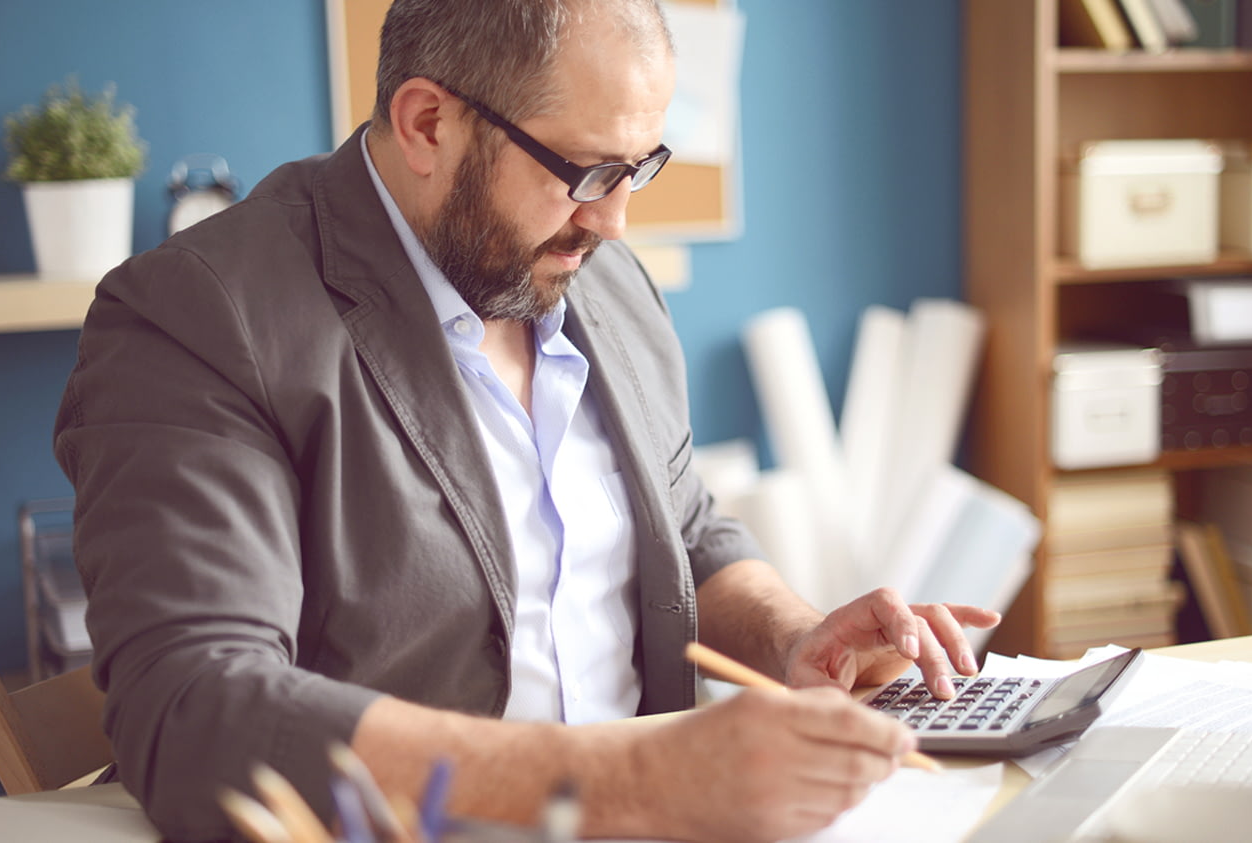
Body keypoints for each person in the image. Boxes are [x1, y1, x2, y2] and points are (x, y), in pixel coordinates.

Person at [53, 1, 1000, 840]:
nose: (618, 222)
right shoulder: (199, 315)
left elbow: (684, 527)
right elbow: (196, 712)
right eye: (587, 171)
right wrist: (640, 781)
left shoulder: (603, 281)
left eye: (641, 168)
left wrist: (795, 637)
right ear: (427, 123)